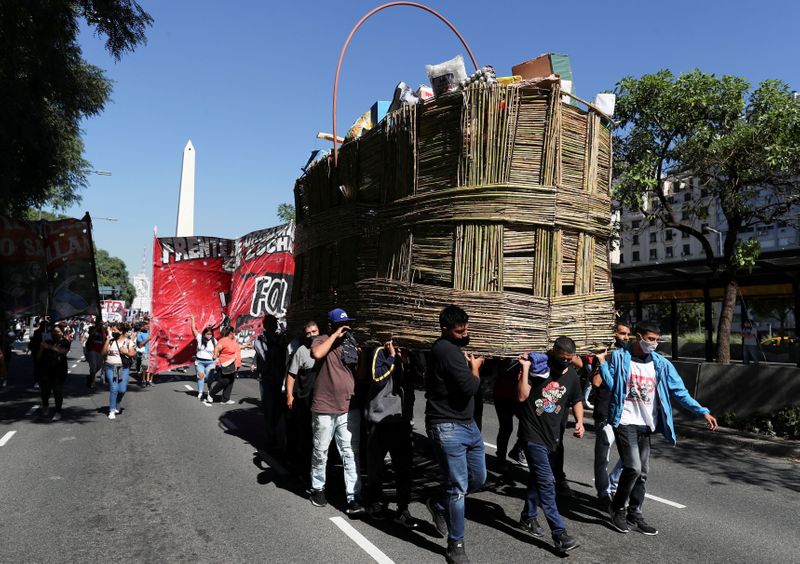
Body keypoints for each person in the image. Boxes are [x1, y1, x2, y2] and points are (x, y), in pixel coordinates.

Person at [596, 320, 718, 535]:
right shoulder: (619, 357)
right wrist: (602, 364)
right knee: (632, 467)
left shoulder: (660, 364)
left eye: (656, 340)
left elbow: (679, 391)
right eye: (650, 339)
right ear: (639, 337)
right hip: (625, 420)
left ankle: (635, 513)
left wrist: (702, 411)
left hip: (647, 424)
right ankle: (617, 510)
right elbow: (612, 384)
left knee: (642, 472)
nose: (653, 343)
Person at [425, 305, 486, 564]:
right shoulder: (446, 351)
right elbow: (470, 386)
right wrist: (476, 367)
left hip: (468, 425)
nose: (464, 334)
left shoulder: (452, 348)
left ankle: (439, 503)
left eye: (466, 329)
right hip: (448, 426)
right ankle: (455, 545)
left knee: (479, 478)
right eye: (459, 331)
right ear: (445, 329)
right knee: (458, 488)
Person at [515, 338, 583, 554]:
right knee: (546, 482)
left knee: (537, 479)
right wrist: (525, 369)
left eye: (569, 359)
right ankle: (559, 533)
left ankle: (527, 516)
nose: (565, 362)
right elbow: (522, 395)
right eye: (562, 358)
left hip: (554, 437)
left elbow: (577, 400)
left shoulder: (571, 375)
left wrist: (580, 421)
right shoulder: (538, 368)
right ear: (554, 353)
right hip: (532, 434)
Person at [308, 308, 364, 515]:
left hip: (348, 406)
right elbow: (317, 354)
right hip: (324, 405)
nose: (345, 328)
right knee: (321, 451)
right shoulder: (321, 340)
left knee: (349, 452)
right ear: (331, 326)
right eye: (341, 324)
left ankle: (353, 496)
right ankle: (317, 488)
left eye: (347, 324)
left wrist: (360, 355)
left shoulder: (351, 343)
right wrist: (334, 336)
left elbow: (358, 373)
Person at [364, 339, 419, 529]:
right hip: (380, 420)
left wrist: (406, 360)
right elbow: (377, 378)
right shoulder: (379, 350)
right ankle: (374, 502)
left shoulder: (410, 352)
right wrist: (392, 358)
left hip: (401, 420)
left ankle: (403, 509)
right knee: (376, 466)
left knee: (404, 468)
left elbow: (419, 378)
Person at [593, 320, 630, 505]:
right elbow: (597, 382)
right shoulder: (603, 355)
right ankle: (603, 492)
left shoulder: (628, 356)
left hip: (624, 413)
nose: (625, 338)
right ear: (613, 334)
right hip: (605, 411)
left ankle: (614, 483)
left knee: (631, 456)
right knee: (603, 457)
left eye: (627, 334)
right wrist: (603, 361)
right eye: (622, 333)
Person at [284, 320, 320, 480]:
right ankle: (303, 471)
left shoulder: (326, 348)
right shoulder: (301, 351)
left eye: (314, 331)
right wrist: (289, 395)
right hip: (304, 400)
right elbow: (291, 375)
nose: (312, 335)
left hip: (321, 402)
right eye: (308, 333)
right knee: (304, 437)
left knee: (318, 439)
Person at [253, 315, 287, 452]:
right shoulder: (259, 339)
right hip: (266, 379)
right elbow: (265, 356)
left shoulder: (281, 338)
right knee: (269, 408)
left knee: (279, 408)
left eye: (275, 323)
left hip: (280, 378)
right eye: (271, 323)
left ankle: (274, 430)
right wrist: (277, 345)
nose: (274, 326)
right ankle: (271, 436)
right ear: (266, 325)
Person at [102, 323, 136, 420]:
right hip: (110, 366)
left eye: (115, 330)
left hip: (123, 368)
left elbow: (132, 353)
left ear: (121, 332)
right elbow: (103, 353)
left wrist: (125, 352)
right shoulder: (111, 341)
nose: (113, 332)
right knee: (114, 387)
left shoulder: (128, 342)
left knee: (122, 389)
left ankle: (117, 402)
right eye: (112, 330)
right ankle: (111, 410)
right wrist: (107, 341)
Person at [38, 325, 71, 421]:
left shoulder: (65, 342)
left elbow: (63, 351)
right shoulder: (47, 341)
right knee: (45, 391)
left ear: (61, 332)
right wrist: (41, 348)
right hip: (46, 370)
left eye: (58, 332)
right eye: (54, 332)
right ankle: (45, 405)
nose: (56, 334)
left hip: (59, 371)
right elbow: (39, 357)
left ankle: (58, 411)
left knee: (57, 391)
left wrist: (49, 347)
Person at [208, 326, 241, 405]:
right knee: (224, 381)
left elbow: (236, 348)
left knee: (231, 382)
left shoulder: (233, 341)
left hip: (233, 364)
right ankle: (211, 394)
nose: (234, 334)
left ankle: (225, 399)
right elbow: (217, 348)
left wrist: (246, 346)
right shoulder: (223, 341)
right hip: (225, 364)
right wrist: (215, 355)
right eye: (234, 332)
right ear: (230, 333)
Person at [191, 317, 217, 401]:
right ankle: (200, 392)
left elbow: (218, 349)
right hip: (200, 362)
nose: (209, 335)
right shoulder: (199, 338)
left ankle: (210, 392)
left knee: (209, 378)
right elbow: (193, 329)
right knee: (201, 377)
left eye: (211, 334)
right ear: (204, 334)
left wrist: (216, 355)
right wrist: (193, 320)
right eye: (207, 334)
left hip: (210, 362)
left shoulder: (214, 341)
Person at [85, 324, 106, 390]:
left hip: (100, 351)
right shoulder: (93, 329)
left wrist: (102, 329)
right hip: (92, 350)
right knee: (93, 366)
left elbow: (104, 338)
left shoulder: (104, 331)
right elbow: (91, 334)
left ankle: (91, 376)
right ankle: (92, 382)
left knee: (99, 366)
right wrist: (96, 328)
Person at [136, 321, 153, 387]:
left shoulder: (151, 333)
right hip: (145, 352)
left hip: (152, 352)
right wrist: (147, 339)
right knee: (145, 367)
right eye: (146, 326)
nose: (148, 327)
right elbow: (140, 345)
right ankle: (143, 380)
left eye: (148, 326)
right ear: (143, 327)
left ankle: (148, 380)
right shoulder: (140, 334)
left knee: (149, 367)